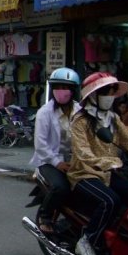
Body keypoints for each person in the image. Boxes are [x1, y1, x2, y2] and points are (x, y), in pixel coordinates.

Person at [67, 72, 128, 255]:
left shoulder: (113, 118)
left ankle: (119, 240)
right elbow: (82, 153)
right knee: (109, 201)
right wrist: (109, 162)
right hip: (85, 173)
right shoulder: (80, 121)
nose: (110, 96)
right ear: (94, 95)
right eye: (106, 91)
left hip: (110, 171)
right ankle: (87, 240)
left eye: (113, 92)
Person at [29, 67, 82, 233]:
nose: (61, 91)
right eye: (58, 87)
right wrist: (57, 163)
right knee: (61, 187)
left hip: (76, 160)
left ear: (74, 90)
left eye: (65, 87)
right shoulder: (45, 112)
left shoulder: (81, 111)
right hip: (49, 161)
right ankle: (45, 216)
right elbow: (40, 144)